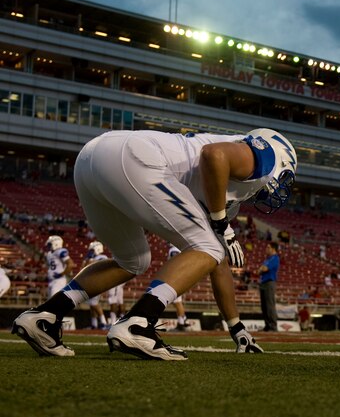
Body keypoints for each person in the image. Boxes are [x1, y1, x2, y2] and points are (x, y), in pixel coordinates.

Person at [13, 127, 297, 360]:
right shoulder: (263, 154)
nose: (281, 188)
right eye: (286, 177)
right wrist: (222, 224)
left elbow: (217, 261)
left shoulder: (226, 196)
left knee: (134, 260)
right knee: (207, 246)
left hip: (92, 159)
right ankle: (139, 323)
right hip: (135, 158)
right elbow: (215, 154)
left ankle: (46, 316)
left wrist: (237, 329)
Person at [83, 241, 109, 329]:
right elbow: (82, 268)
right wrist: (87, 259)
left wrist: (89, 259)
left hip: (98, 282)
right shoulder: (92, 258)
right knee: (92, 304)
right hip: (92, 282)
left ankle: (104, 323)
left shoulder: (102, 257)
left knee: (94, 303)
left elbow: (90, 265)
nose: (91, 252)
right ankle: (94, 324)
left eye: (92, 250)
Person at [258, 242, 280, 332]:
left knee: (270, 305)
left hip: (269, 283)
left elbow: (264, 269)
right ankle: (267, 325)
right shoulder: (267, 259)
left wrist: (262, 268)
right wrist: (261, 269)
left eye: (268, 247)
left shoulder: (275, 258)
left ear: (273, 249)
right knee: (264, 306)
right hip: (263, 282)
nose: (266, 249)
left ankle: (273, 326)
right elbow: (259, 270)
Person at [167, 244, 189, 331]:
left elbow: (175, 264)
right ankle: (183, 319)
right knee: (177, 301)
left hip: (176, 278)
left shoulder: (174, 250)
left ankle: (181, 323)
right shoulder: (178, 249)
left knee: (177, 302)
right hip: (179, 277)